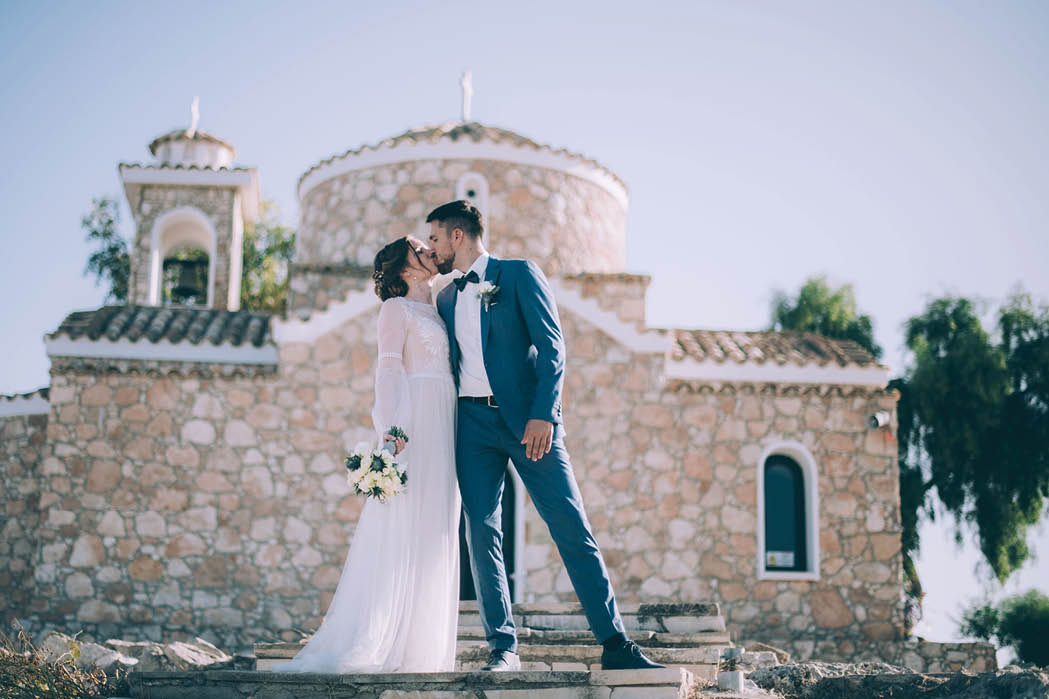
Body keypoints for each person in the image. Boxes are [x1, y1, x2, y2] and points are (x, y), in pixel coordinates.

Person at [428, 200, 664, 671]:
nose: (431, 247)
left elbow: (553, 346)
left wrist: (545, 415)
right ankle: (503, 648)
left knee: (571, 526)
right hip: (471, 427)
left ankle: (615, 643)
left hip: (529, 423)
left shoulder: (518, 274)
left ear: (458, 236)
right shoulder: (447, 297)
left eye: (434, 237)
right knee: (481, 534)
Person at [271, 236, 460, 673]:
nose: (429, 250)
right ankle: (384, 640)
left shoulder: (441, 306)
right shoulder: (396, 310)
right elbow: (389, 368)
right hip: (416, 419)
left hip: (446, 416)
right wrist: (391, 431)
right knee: (406, 522)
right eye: (419, 248)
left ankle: (422, 648)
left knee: (436, 524)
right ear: (405, 267)